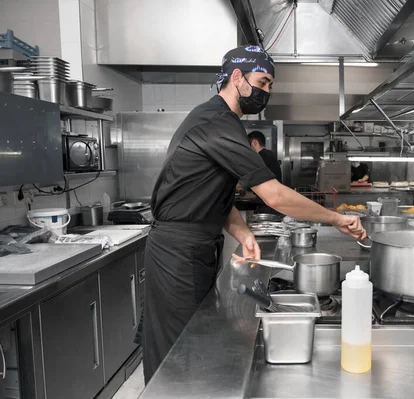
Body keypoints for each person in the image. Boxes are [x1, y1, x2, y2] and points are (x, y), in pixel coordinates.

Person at [138, 44, 366, 383]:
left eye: (270, 86)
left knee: (187, 340)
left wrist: (243, 233)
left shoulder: (217, 121)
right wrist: (336, 218)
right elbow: (274, 195)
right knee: (180, 350)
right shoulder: (217, 122)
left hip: (190, 247)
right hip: (178, 250)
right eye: (262, 82)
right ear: (236, 77)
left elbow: (211, 193)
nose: (266, 92)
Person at [247, 130, 282, 214]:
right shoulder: (269, 154)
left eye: (248, 145)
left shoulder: (262, 157)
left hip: (268, 204)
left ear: (254, 143)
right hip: (272, 202)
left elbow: (254, 177)